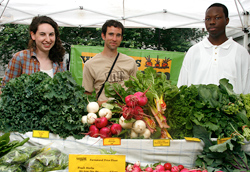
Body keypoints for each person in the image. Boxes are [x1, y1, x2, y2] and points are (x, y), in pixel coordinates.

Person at [177, 3, 250, 94]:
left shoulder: (241, 53)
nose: (212, 22)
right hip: (197, 108)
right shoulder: (193, 51)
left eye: (217, 18)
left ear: (226, 21)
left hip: (231, 108)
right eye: (208, 19)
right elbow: (182, 85)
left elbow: (247, 88)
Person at [82, 19, 138, 105]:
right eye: (111, 34)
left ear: (121, 38)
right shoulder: (90, 64)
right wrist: (103, 104)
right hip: (102, 114)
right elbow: (87, 97)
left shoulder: (130, 62)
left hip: (127, 113)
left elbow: (136, 92)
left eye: (118, 35)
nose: (114, 39)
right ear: (103, 36)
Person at [1, 15, 66, 86]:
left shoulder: (60, 62)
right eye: (42, 34)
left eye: (51, 34)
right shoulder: (20, 58)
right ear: (33, 35)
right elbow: (5, 88)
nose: (48, 39)